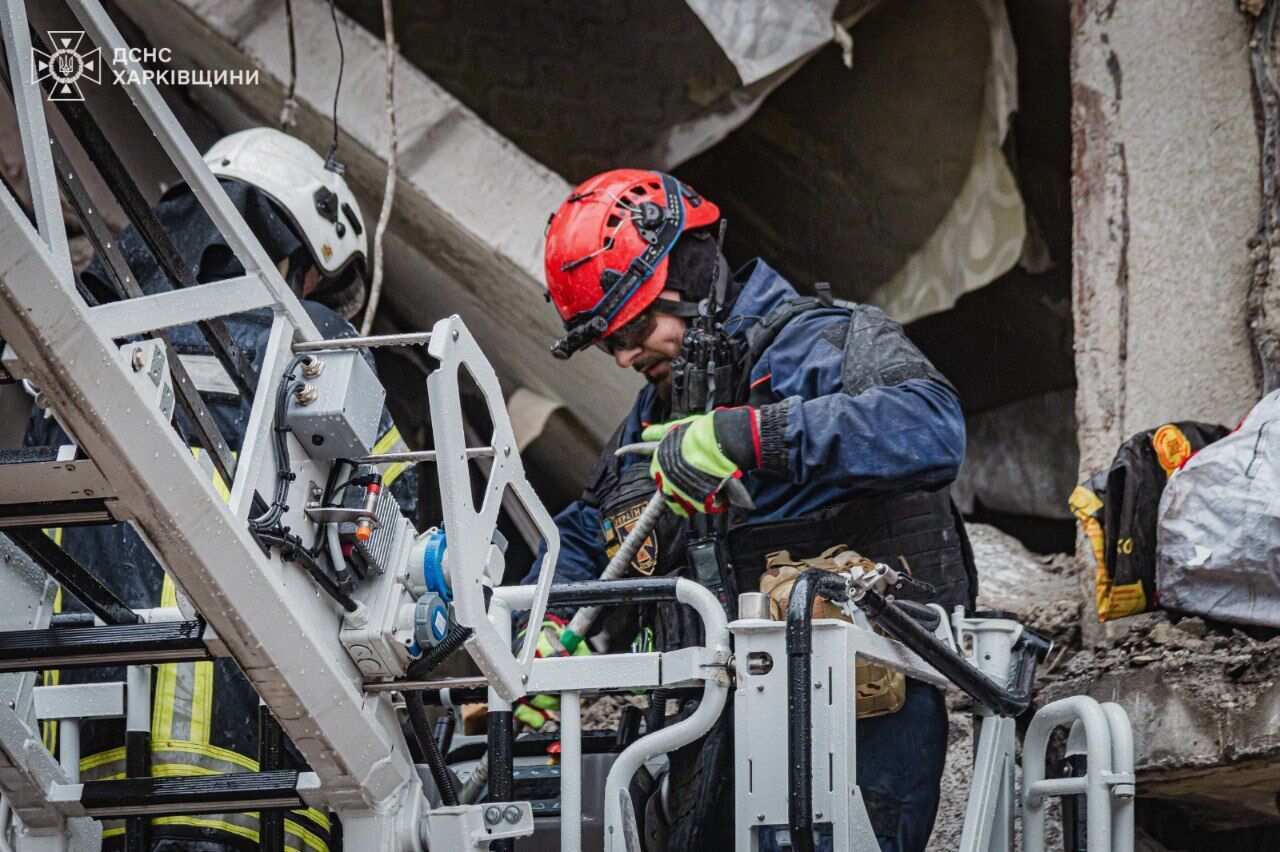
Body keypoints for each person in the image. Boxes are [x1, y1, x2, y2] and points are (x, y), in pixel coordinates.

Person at [527, 169, 977, 852]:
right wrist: (546, 620)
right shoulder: (661, 412)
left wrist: (752, 436)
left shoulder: (813, 343)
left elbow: (930, 426)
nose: (623, 356)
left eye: (636, 327)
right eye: (607, 341)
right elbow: (595, 529)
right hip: (712, 734)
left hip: (853, 723)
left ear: (693, 270)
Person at [24, 128, 418, 851]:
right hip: (264, 782)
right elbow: (400, 526)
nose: (308, 300)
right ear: (294, 248)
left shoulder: (72, 362)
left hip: (74, 782)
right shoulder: (307, 341)